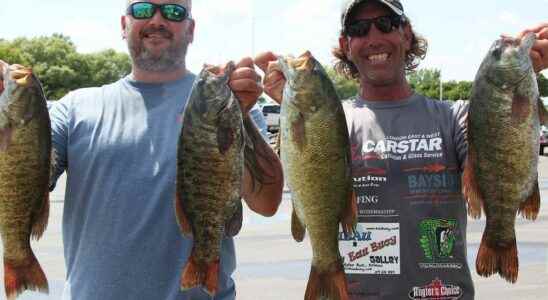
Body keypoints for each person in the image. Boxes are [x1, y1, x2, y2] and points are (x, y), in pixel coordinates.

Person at [255, 0, 548, 299]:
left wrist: (519, 82)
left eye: (386, 23)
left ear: (406, 35)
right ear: (346, 44)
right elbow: (273, 193)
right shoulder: (329, 125)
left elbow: (501, 148)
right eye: (359, 29)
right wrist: (289, 109)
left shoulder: (454, 118)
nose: (373, 38)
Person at [0, 0, 284, 299]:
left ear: (191, 29)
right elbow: (20, 180)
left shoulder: (231, 103)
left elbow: (267, 203)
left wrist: (239, 115)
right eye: (143, 9)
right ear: (124, 25)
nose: (157, 19)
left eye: (174, 11)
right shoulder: (73, 108)